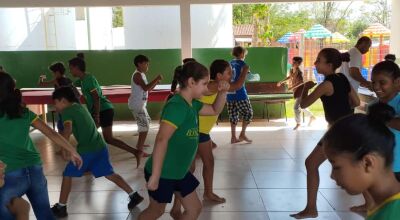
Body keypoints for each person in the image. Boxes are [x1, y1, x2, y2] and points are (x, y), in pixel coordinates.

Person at [138, 61, 230, 220]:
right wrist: (155, 175)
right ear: (191, 82)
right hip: (164, 172)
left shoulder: (192, 104)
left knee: (194, 209)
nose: (207, 88)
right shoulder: (177, 107)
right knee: (156, 211)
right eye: (204, 84)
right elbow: (161, 140)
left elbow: (215, 109)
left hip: (179, 171)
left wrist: (222, 93)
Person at [50, 87, 144, 217]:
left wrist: (64, 149)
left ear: (63, 101)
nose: (54, 106)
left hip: (86, 151)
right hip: (100, 147)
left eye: (55, 102)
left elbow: (67, 129)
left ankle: (61, 207)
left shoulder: (67, 111)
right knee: (109, 173)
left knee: (67, 174)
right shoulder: (80, 107)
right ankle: (134, 195)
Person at [0, 73, 82, 220]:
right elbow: (51, 133)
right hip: (35, 170)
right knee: (45, 214)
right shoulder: (24, 112)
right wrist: (73, 150)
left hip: (11, 174)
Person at [290, 48, 360, 219]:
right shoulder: (342, 78)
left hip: (338, 131)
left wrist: (305, 87)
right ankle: (370, 203)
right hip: (347, 127)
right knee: (355, 165)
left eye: (319, 60)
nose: (315, 63)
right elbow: (356, 101)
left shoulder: (326, 84)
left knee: (311, 163)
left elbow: (304, 104)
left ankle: (311, 209)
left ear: (329, 65)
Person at [323, 104, 400, 220]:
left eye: (336, 167)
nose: (332, 176)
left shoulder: (392, 214)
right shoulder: (384, 206)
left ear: (367, 163)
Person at [69, 54, 141, 167]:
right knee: (107, 138)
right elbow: (72, 84)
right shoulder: (82, 80)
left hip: (103, 110)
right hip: (101, 110)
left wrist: (96, 115)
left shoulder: (88, 79)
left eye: (71, 68)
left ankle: (88, 163)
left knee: (88, 137)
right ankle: (136, 152)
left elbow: (96, 97)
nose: (70, 70)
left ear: (77, 68)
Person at [350, 60, 400, 212]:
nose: (376, 86)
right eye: (373, 82)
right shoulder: (373, 106)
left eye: (382, 82)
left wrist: (385, 119)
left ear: (397, 82)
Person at [128, 55, 162, 157]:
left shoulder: (142, 74)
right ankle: (139, 150)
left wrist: (156, 82)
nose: (148, 66)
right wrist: (156, 78)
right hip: (137, 105)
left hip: (141, 105)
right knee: (144, 127)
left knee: (147, 122)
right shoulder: (137, 75)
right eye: (146, 64)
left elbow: (148, 89)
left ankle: (140, 144)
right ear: (139, 64)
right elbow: (146, 88)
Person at [38, 61, 80, 132]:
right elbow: (77, 94)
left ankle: (63, 140)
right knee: (68, 126)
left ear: (57, 72)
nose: (53, 75)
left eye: (53, 73)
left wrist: (41, 78)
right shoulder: (68, 80)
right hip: (72, 107)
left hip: (63, 108)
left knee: (62, 127)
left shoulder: (56, 81)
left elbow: (41, 84)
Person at [278, 56, 315, 130]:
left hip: (301, 90)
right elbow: (290, 77)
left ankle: (298, 123)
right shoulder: (292, 70)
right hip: (296, 91)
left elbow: (300, 82)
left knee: (295, 107)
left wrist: (291, 88)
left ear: (298, 64)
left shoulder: (299, 72)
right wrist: (282, 81)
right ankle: (312, 117)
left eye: (294, 62)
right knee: (301, 106)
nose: (293, 63)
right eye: (292, 61)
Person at [228, 46, 253, 143]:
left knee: (233, 115)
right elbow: (249, 76)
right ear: (242, 54)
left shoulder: (229, 63)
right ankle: (242, 134)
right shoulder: (244, 64)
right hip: (240, 93)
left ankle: (233, 137)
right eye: (244, 54)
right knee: (248, 113)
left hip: (229, 93)